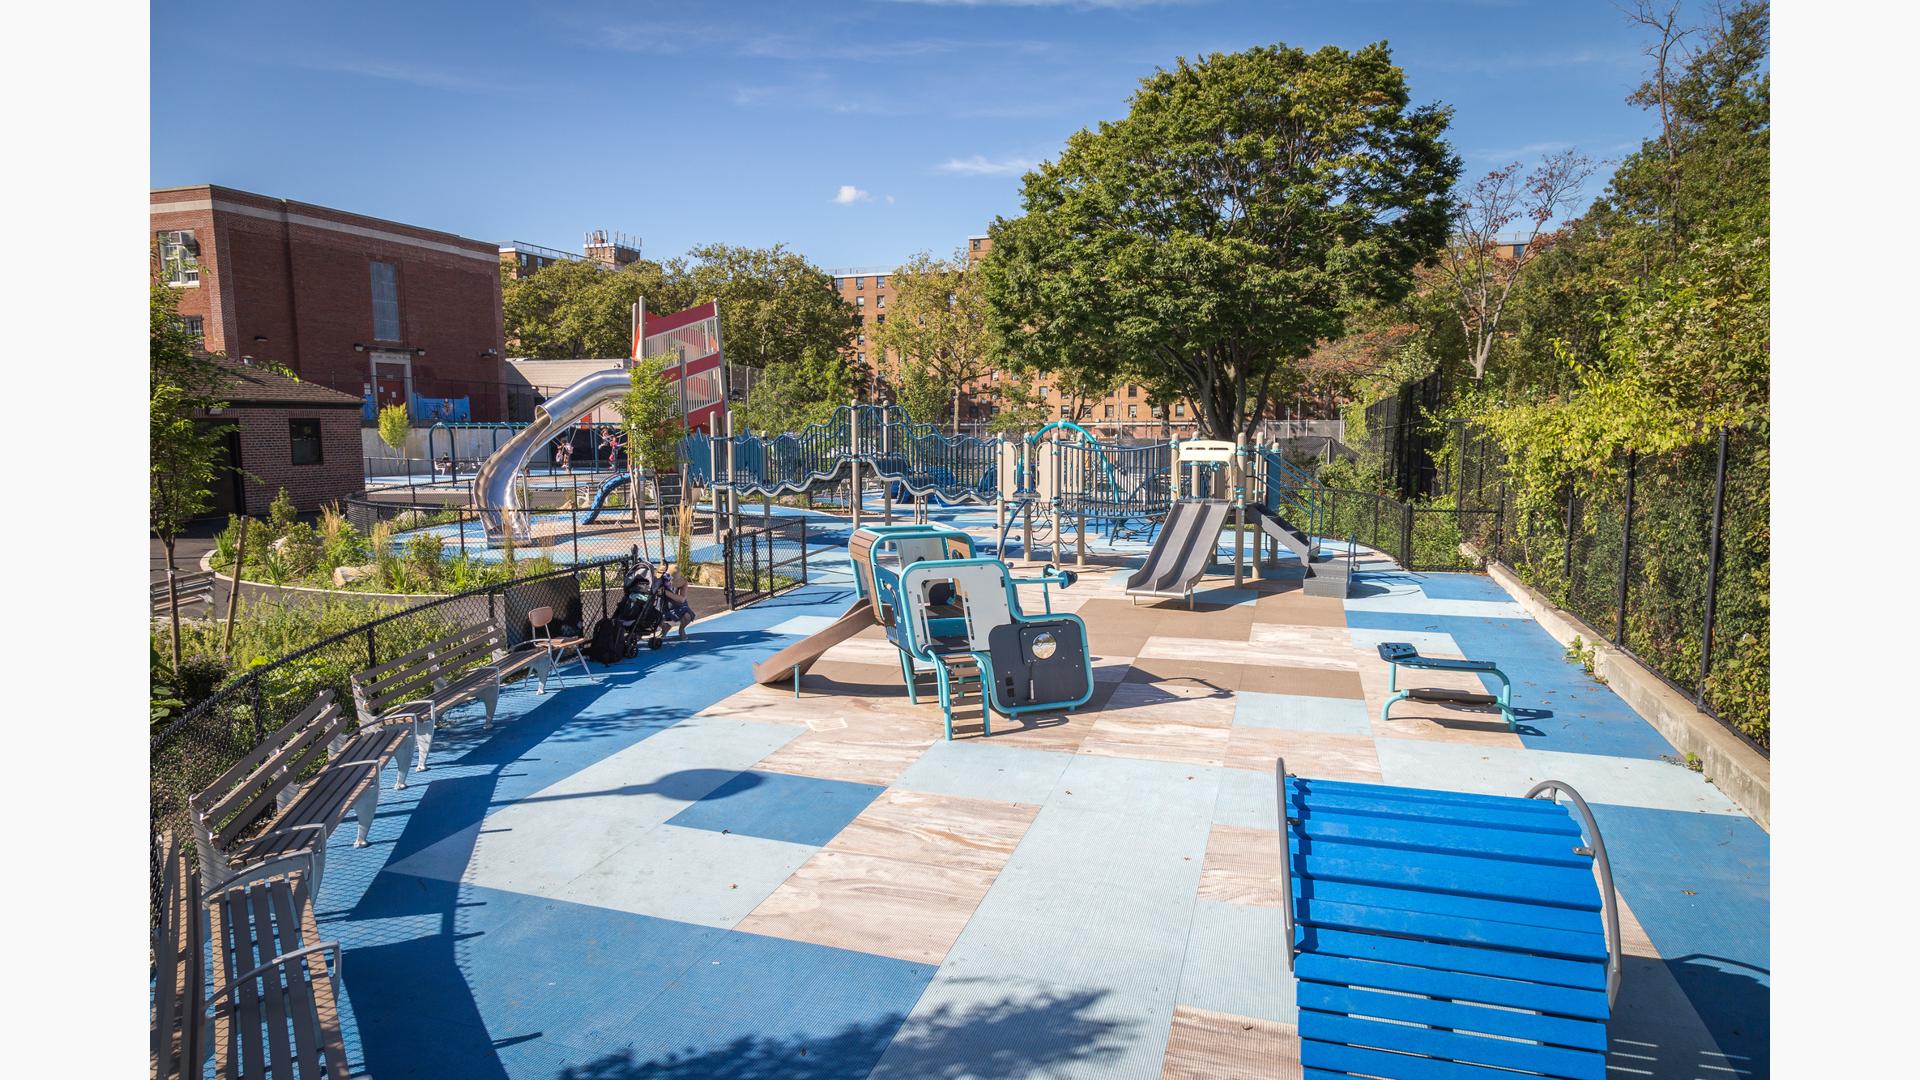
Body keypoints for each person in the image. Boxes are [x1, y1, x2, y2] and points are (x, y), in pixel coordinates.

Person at [657, 562, 694, 640]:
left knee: (687, 616)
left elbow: (682, 599)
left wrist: (665, 592)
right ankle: (665, 627)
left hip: (678, 605)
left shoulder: (683, 583)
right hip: (662, 605)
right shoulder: (659, 579)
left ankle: (681, 629)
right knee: (650, 614)